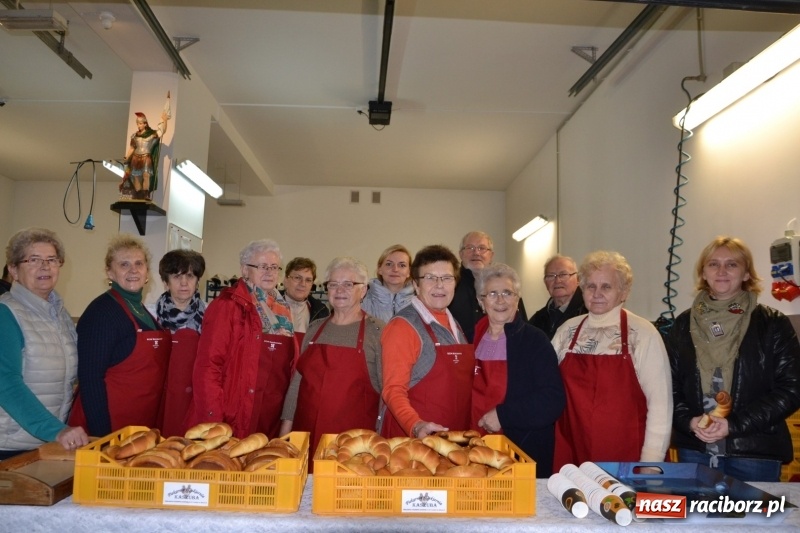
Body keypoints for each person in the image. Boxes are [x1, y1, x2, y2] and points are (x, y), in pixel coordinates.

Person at [668, 236, 800, 482]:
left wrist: (734, 425)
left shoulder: (772, 324)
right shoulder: (683, 325)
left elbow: (792, 388)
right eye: (713, 264)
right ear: (703, 273)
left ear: (746, 273)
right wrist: (689, 421)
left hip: (754, 452)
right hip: (695, 449)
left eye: (732, 264)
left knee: (753, 510)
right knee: (698, 510)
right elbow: (668, 385)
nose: (721, 271)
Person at [551, 250, 672, 471]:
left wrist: (651, 463)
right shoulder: (567, 331)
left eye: (606, 287)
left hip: (628, 460)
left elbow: (660, 405)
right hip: (573, 455)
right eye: (591, 286)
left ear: (623, 292)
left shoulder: (643, 333)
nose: (597, 293)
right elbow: (546, 387)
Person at [188, 239, 295, 438]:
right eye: (262, 266)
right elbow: (208, 366)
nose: (270, 272)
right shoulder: (226, 306)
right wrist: (213, 420)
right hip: (233, 416)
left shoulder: (284, 311)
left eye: (274, 267)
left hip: (270, 418)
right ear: (245, 270)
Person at [280, 257, 384, 454]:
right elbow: (297, 384)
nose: (339, 290)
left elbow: (387, 393)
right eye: (333, 284)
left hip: (354, 445)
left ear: (363, 290)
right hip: (306, 436)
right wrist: (284, 436)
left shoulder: (377, 332)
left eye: (348, 284)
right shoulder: (314, 328)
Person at [69, 235, 170, 437]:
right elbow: (90, 379)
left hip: (138, 426)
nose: (133, 270)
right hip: (105, 429)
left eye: (139, 263)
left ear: (147, 272)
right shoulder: (102, 312)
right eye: (124, 264)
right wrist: (103, 437)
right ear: (110, 272)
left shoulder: (142, 310)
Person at [0, 228, 88, 459]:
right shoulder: (5, 313)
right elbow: (5, 383)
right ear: (13, 270)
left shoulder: (60, 315)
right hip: (8, 446)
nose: (45, 266)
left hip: (44, 444)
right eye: (34, 260)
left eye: (51, 260)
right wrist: (55, 430)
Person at [471, 263, 566, 477]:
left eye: (507, 293)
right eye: (492, 294)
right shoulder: (470, 337)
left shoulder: (535, 341)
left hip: (520, 449)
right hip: (475, 447)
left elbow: (552, 400)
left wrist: (503, 416)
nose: (500, 300)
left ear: (517, 299)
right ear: (481, 301)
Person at [380, 244, 474, 438]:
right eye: (430, 278)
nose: (439, 285)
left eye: (447, 278)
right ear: (416, 285)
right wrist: (415, 425)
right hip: (412, 442)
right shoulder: (402, 327)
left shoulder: (454, 324)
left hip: (452, 437)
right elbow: (393, 390)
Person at [154, 249, 206, 438]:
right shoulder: (150, 315)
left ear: (197, 280)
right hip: (159, 396)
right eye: (177, 276)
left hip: (195, 396)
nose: (184, 283)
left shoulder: (211, 315)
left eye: (190, 276)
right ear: (165, 282)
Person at [449, 231, 526, 342]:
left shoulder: (508, 285)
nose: (476, 253)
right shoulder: (450, 285)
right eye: (470, 248)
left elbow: (522, 325)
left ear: (491, 255)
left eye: (482, 248)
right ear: (461, 254)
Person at [529, 255, 587, 339]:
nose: (557, 281)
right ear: (545, 282)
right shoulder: (537, 320)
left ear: (578, 279)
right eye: (551, 276)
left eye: (563, 274)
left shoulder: (588, 313)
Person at [119, 110, 169, 201]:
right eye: (137, 124)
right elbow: (132, 148)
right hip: (135, 157)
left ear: (145, 124)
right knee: (136, 177)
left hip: (146, 157)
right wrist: (126, 156)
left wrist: (165, 120)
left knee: (146, 175)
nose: (139, 125)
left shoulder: (151, 134)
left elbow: (161, 131)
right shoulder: (134, 136)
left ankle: (145, 194)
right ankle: (138, 195)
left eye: (140, 123)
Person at [281, 257, 330, 347]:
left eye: (308, 280)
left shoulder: (321, 312)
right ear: (286, 280)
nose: (303, 284)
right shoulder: (268, 304)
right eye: (297, 278)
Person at [361, 244, 415, 323]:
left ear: (409, 272)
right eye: (389, 264)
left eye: (402, 265)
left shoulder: (421, 302)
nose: (395, 269)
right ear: (379, 269)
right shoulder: (361, 299)